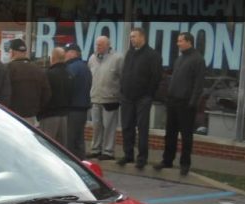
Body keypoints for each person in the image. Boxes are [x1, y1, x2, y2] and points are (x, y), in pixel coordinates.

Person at [154, 32, 205, 176]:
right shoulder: (179, 59)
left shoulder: (198, 60)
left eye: (181, 41)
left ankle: (185, 164)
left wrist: (193, 102)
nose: (178, 43)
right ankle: (167, 160)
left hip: (186, 103)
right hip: (173, 101)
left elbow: (198, 84)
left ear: (189, 42)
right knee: (170, 133)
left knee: (186, 136)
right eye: (178, 41)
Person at [118, 27, 162, 169]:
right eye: (130, 37)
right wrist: (123, 90)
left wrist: (148, 94)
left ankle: (142, 158)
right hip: (127, 97)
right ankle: (128, 155)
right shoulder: (130, 54)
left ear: (142, 37)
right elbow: (124, 72)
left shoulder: (152, 55)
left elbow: (156, 77)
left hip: (143, 98)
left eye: (134, 37)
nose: (131, 39)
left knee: (142, 128)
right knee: (127, 127)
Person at [88, 36, 123, 160]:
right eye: (97, 44)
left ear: (108, 45)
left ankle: (108, 151)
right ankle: (95, 149)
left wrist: (118, 94)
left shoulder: (118, 59)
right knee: (96, 126)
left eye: (101, 45)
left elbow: (122, 78)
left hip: (110, 99)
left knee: (109, 126)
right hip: (95, 98)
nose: (98, 47)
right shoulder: (92, 59)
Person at [5, 38, 50, 126]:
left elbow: (3, 93)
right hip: (31, 118)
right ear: (25, 52)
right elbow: (47, 94)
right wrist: (36, 110)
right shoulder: (38, 70)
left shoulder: (7, 69)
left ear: (12, 52)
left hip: (12, 117)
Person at [38, 47, 72, 145]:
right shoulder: (69, 74)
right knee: (61, 147)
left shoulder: (49, 74)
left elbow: (45, 95)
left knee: (47, 144)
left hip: (49, 114)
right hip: (65, 115)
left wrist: (40, 111)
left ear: (53, 58)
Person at [64, 43, 92, 160]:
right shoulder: (85, 67)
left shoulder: (72, 67)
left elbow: (67, 88)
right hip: (83, 108)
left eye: (67, 52)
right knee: (79, 140)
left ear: (73, 53)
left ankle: (72, 166)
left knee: (70, 142)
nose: (65, 54)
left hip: (73, 108)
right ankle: (82, 163)